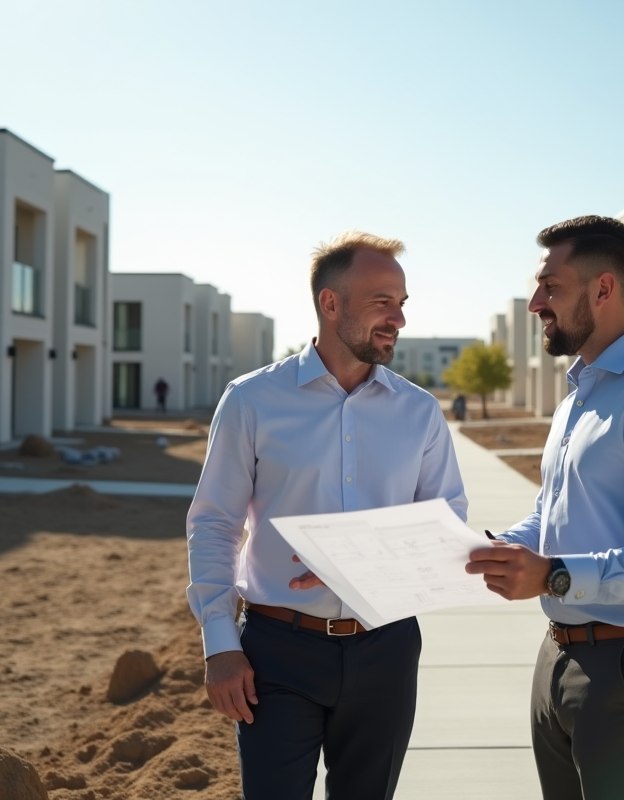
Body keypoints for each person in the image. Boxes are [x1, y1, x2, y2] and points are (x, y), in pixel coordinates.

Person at [186, 231, 467, 800]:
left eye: (402, 304)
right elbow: (215, 522)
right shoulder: (251, 401)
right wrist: (219, 642)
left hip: (386, 648)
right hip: (277, 654)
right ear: (330, 303)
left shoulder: (419, 412)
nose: (398, 320)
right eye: (381, 303)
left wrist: (357, 564)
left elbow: (445, 529)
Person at [466, 215, 624, 800]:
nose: (536, 302)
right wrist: (487, 550)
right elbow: (554, 511)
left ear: (603, 289)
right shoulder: (582, 391)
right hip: (560, 655)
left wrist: (554, 575)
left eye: (550, 287)